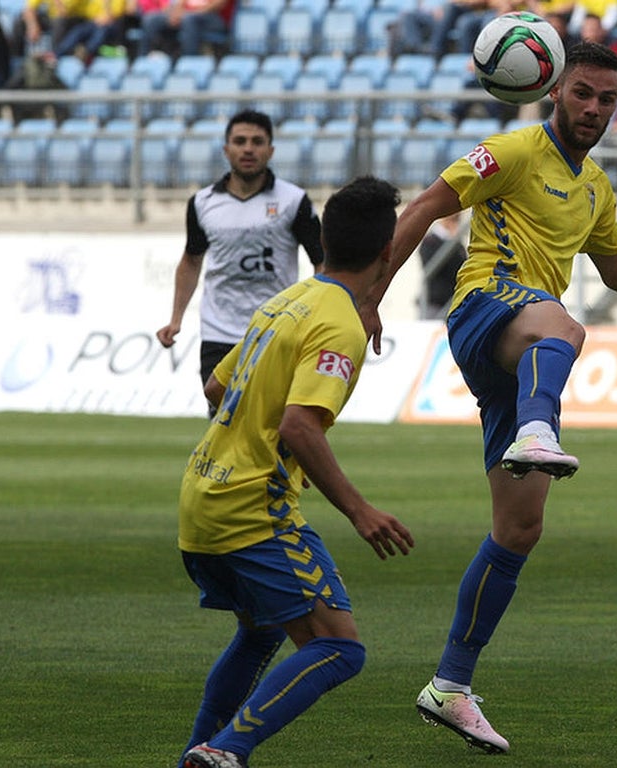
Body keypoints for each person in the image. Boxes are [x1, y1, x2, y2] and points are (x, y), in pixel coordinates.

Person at [367, 42, 617, 753]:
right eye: (584, 94)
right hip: (484, 307)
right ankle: (538, 431)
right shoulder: (509, 150)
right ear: (555, 90)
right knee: (565, 322)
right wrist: (370, 297)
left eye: (607, 99)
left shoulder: (595, 184)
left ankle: (450, 686)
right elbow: (425, 207)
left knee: (520, 529)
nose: (595, 109)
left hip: (529, 349)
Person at [175, 175, 415, 768]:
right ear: (389, 253)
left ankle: (195, 757)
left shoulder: (286, 301)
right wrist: (361, 511)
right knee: (339, 648)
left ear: (325, 240)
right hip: (254, 509)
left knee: (261, 631)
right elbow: (299, 426)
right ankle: (227, 750)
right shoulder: (338, 322)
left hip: (201, 496)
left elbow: (215, 382)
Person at [156, 110, 324, 417]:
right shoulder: (202, 203)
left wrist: (316, 316)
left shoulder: (293, 200)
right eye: (240, 141)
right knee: (223, 424)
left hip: (276, 330)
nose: (248, 149)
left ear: (270, 150)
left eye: (257, 142)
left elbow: (322, 262)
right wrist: (176, 318)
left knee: (271, 423)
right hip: (218, 332)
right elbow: (191, 260)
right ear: (226, 149)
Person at [138, 0, 233, 57]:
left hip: (214, 18)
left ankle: (189, 61)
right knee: (151, 19)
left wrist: (194, 13)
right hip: (188, 16)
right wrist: (175, 15)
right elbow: (180, 3)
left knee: (189, 20)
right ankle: (143, 59)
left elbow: (219, 4)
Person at [417, 211, 467, 318]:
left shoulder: (457, 244)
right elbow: (436, 268)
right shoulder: (430, 242)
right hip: (436, 303)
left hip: (453, 300)